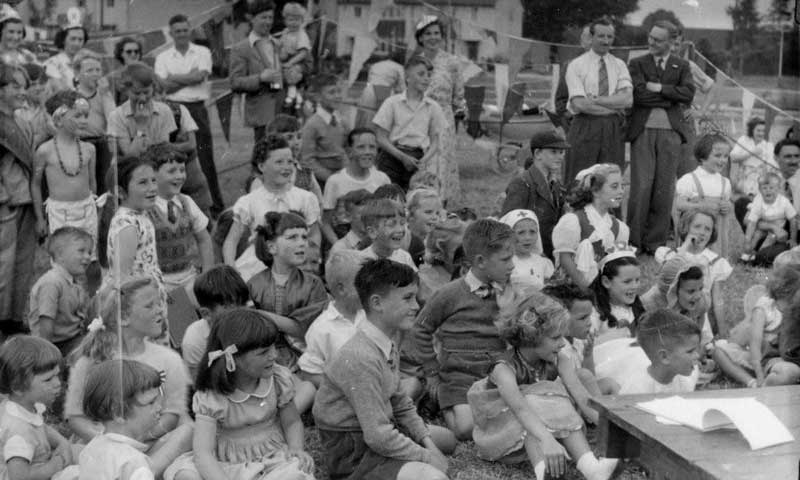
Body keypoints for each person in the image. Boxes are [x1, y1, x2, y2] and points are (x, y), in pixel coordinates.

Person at [313, 259, 452, 480]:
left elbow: (400, 402)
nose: (416, 306)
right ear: (377, 303)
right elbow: (377, 436)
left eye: (415, 297)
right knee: (434, 477)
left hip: (380, 428)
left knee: (447, 441)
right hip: (353, 447)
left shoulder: (386, 342)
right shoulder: (360, 356)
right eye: (407, 298)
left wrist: (428, 445)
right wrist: (427, 458)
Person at [467, 292, 619, 480]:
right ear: (532, 337)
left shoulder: (559, 359)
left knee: (554, 398)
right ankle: (544, 471)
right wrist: (547, 439)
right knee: (537, 398)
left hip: (538, 424)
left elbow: (582, 397)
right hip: (504, 430)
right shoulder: (503, 368)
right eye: (556, 338)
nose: (563, 343)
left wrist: (609, 428)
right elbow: (520, 409)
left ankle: (592, 468)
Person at [164, 308, 314, 480]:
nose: (274, 355)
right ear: (234, 357)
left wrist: (296, 447)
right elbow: (203, 453)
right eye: (264, 352)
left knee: (296, 473)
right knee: (185, 474)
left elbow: (292, 422)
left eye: (273, 346)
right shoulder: (213, 395)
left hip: (271, 458)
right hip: (225, 461)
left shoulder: (277, 380)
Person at [65, 279, 192, 476]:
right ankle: (141, 470)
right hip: (104, 439)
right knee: (74, 452)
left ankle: (138, 469)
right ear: (123, 318)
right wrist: (115, 441)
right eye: (150, 305)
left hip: (151, 436)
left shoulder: (169, 358)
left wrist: (142, 438)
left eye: (160, 303)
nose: (161, 310)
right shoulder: (90, 359)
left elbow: (173, 413)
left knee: (187, 431)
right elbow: (75, 418)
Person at [405, 218, 515, 440]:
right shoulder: (449, 293)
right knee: (465, 430)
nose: (512, 265)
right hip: (459, 375)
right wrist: (433, 372)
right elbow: (420, 330)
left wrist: (509, 312)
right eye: (505, 259)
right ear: (481, 261)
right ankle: (442, 402)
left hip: (498, 373)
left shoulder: (512, 292)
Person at [626, 21, 695, 254]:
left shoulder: (682, 65)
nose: (651, 42)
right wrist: (670, 97)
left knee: (664, 188)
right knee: (642, 186)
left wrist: (658, 88)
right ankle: (633, 241)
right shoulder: (636, 63)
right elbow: (639, 95)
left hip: (672, 133)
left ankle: (655, 244)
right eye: (651, 37)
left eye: (657, 39)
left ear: (670, 43)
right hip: (643, 130)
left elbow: (688, 94)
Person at [247, 211, 327, 411]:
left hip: (303, 358)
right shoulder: (255, 284)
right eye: (292, 237)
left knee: (316, 387)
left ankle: (280, 420)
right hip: (265, 358)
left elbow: (301, 329)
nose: (302, 243)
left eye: (305, 237)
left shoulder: (313, 284)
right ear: (271, 247)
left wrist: (258, 315)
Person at [222, 135, 321, 281]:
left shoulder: (305, 198)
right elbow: (231, 241)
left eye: (290, 162)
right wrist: (231, 267)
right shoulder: (250, 201)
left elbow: (314, 234)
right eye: (279, 162)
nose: (286, 167)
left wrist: (308, 257)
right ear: (262, 166)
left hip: (296, 262)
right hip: (259, 262)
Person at [155, 14, 223, 218]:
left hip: (196, 107)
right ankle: (175, 204)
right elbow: (163, 85)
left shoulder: (201, 52)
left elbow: (200, 76)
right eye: (177, 31)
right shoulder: (163, 57)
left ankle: (213, 206)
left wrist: (174, 78)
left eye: (185, 30)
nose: (182, 34)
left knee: (203, 156)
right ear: (171, 33)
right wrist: (188, 78)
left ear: (190, 30)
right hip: (171, 109)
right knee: (171, 156)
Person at [78, 359, 183, 480]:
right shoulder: (135, 465)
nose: (159, 407)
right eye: (151, 402)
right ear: (119, 413)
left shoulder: (91, 449)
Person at [102, 156, 168, 334]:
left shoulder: (140, 215)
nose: (152, 188)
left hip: (150, 298)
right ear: (121, 191)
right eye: (143, 183)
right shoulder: (128, 225)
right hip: (139, 306)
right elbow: (121, 277)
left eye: (154, 180)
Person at [563, 16, 632, 183]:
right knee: (580, 178)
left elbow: (627, 100)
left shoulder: (619, 65)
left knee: (610, 180)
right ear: (591, 37)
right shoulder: (576, 65)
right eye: (601, 36)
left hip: (612, 129)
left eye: (610, 37)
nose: (606, 40)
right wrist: (614, 105)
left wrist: (596, 100)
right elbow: (579, 104)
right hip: (584, 126)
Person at [0, 335, 77, 480]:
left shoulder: (24, 406)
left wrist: (62, 442)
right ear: (18, 387)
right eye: (48, 379)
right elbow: (18, 477)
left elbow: (40, 426)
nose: (57, 383)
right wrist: (57, 463)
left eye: (57, 375)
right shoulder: (19, 431)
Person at [144, 144, 213, 303]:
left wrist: (206, 274)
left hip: (189, 277)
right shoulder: (146, 209)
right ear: (152, 174)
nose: (179, 176)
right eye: (172, 171)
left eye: (182, 170)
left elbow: (204, 238)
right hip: (159, 283)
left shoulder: (186, 202)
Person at [0, 62, 37, 336]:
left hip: (25, 200)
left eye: (24, 86)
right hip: (6, 202)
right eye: (15, 86)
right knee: (3, 265)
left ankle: (13, 319)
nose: (22, 92)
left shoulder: (21, 121)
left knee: (22, 266)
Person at [31, 90, 97, 243]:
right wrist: (40, 218)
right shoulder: (44, 151)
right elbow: (35, 184)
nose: (84, 121)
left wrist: (96, 209)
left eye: (86, 116)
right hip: (60, 214)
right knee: (63, 255)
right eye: (77, 116)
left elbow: (92, 182)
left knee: (87, 254)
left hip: (88, 210)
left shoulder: (89, 149)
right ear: (59, 119)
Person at [656, 208, 733, 337]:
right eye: (697, 227)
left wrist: (722, 331)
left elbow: (717, 299)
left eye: (707, 229)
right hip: (672, 314)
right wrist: (686, 243)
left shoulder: (714, 261)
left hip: (698, 315)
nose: (702, 233)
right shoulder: (672, 254)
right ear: (686, 228)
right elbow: (675, 266)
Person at [373, 55, 445, 192]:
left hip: (418, 160)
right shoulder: (392, 103)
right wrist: (401, 156)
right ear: (407, 77)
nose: (426, 78)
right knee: (390, 197)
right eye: (421, 74)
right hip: (392, 157)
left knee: (414, 197)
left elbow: (435, 141)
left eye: (429, 75)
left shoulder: (433, 107)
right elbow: (380, 137)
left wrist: (424, 160)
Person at [543, 283, 616, 418]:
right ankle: (604, 422)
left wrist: (588, 355)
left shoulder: (578, 341)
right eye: (583, 318)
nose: (589, 323)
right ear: (560, 317)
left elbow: (591, 379)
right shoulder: (556, 347)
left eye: (589, 316)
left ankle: (619, 417)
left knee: (609, 383)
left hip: (582, 397)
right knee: (584, 375)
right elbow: (579, 379)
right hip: (564, 401)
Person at [552, 163, 629, 287]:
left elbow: (619, 264)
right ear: (595, 191)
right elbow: (565, 259)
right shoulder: (573, 221)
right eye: (614, 187)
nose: (621, 191)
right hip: (572, 288)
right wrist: (586, 291)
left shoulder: (620, 228)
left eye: (622, 186)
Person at [415, 15, 465, 204]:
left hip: (444, 118)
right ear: (420, 37)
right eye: (428, 33)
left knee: (442, 162)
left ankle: (441, 205)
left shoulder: (452, 62)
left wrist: (455, 118)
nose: (432, 37)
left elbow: (458, 96)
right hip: (419, 117)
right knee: (422, 160)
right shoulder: (415, 62)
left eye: (436, 33)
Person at [297, 249, 366, 387]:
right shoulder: (321, 329)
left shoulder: (373, 315)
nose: (370, 288)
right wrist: (341, 388)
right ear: (341, 289)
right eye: (363, 284)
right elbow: (310, 373)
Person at [501, 130, 569, 259]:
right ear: (537, 154)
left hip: (549, 253)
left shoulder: (555, 184)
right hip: (526, 255)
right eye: (553, 152)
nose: (560, 157)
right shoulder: (522, 183)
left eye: (561, 152)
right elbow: (507, 225)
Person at [27, 227, 92, 356]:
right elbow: (46, 322)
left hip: (72, 338)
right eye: (81, 251)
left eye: (89, 252)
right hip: (55, 344)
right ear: (60, 255)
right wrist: (48, 355)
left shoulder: (73, 280)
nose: (88, 257)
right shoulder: (52, 282)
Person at [322, 127, 390, 245]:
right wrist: (339, 246)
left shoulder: (382, 179)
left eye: (372, 147)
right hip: (344, 239)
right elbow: (325, 223)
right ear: (349, 151)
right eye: (361, 147)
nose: (367, 152)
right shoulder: (335, 181)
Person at [181, 265, 250, 379]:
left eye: (243, 304)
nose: (240, 313)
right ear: (206, 314)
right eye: (230, 309)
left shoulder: (252, 325)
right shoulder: (194, 340)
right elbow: (198, 382)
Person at [229, 0, 283, 142]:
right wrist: (260, 78)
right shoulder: (241, 48)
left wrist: (297, 70)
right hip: (261, 114)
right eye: (263, 17)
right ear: (252, 19)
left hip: (283, 110)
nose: (268, 22)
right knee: (264, 156)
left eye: (270, 18)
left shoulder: (278, 44)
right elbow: (235, 82)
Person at [674, 133, 735, 256]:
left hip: (717, 233)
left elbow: (728, 204)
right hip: (697, 231)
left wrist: (727, 206)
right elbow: (679, 205)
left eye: (725, 156)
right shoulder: (689, 179)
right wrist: (700, 207)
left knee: (714, 261)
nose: (722, 160)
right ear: (702, 157)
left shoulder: (725, 183)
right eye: (717, 156)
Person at [618, 309, 701, 394]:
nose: (697, 356)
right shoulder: (635, 391)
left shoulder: (687, 379)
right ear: (664, 356)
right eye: (690, 351)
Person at [107, 62, 178, 157]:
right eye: (136, 93)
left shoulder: (164, 111)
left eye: (146, 92)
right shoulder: (116, 116)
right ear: (126, 90)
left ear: (153, 87)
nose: (142, 98)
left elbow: (164, 152)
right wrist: (141, 127)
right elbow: (130, 156)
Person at [73, 50, 115, 194]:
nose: (95, 73)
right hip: (80, 141)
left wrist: (105, 95)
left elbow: (112, 120)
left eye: (98, 70)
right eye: (89, 70)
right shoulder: (72, 95)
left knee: (104, 184)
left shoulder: (104, 94)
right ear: (78, 74)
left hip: (101, 143)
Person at [300, 73, 348, 187]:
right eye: (331, 92)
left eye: (339, 91)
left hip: (342, 174)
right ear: (318, 97)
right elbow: (307, 160)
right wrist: (331, 178)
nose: (337, 96)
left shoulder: (341, 120)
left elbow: (345, 148)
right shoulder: (312, 124)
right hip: (322, 181)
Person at [590, 252, 645, 344]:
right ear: (606, 282)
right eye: (627, 281)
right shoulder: (595, 314)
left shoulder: (636, 306)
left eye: (637, 280)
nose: (634, 286)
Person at [742, 170, 797, 262]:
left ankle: (758, 254)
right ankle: (747, 253)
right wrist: (747, 241)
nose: (768, 191)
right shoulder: (758, 201)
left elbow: (793, 220)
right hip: (763, 226)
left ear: (778, 189)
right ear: (759, 190)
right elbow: (752, 223)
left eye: (771, 188)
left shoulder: (784, 202)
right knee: (756, 236)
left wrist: (793, 239)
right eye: (764, 188)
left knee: (769, 241)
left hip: (778, 230)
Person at [500, 209, 554, 292]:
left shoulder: (543, 263)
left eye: (532, 232)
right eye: (521, 232)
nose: (528, 238)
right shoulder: (503, 263)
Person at [359, 197, 417, 270]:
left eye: (402, 223)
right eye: (391, 224)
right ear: (372, 232)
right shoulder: (361, 261)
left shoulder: (405, 258)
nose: (400, 229)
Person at [730, 117, 777, 202]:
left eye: (763, 131)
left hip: (761, 179)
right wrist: (751, 153)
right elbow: (733, 158)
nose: (761, 133)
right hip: (744, 178)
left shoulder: (768, 145)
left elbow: (772, 166)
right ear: (752, 130)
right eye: (758, 130)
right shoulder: (744, 140)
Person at [277, 2, 310, 110]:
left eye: (297, 20)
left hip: (300, 61)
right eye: (291, 20)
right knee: (278, 71)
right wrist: (280, 52)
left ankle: (292, 96)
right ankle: (291, 95)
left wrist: (291, 62)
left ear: (301, 21)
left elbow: (303, 53)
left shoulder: (301, 34)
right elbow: (280, 45)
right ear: (285, 20)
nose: (294, 23)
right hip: (288, 59)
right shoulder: (285, 32)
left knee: (293, 72)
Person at [43, 20, 88, 92]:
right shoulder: (52, 63)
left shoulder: (87, 63)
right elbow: (59, 90)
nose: (76, 43)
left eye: (80, 40)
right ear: (63, 40)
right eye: (73, 39)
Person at [406, 188, 443, 267]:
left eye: (437, 213)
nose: (435, 217)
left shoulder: (434, 240)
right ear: (411, 215)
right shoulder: (403, 238)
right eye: (428, 212)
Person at [329, 188, 373, 254]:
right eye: (362, 213)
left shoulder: (384, 246)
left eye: (371, 212)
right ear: (348, 217)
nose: (367, 217)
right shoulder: (339, 250)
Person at [109, 36, 143, 105]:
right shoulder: (113, 77)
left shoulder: (148, 73)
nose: (133, 54)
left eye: (136, 51)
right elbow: (112, 106)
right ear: (121, 54)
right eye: (129, 52)